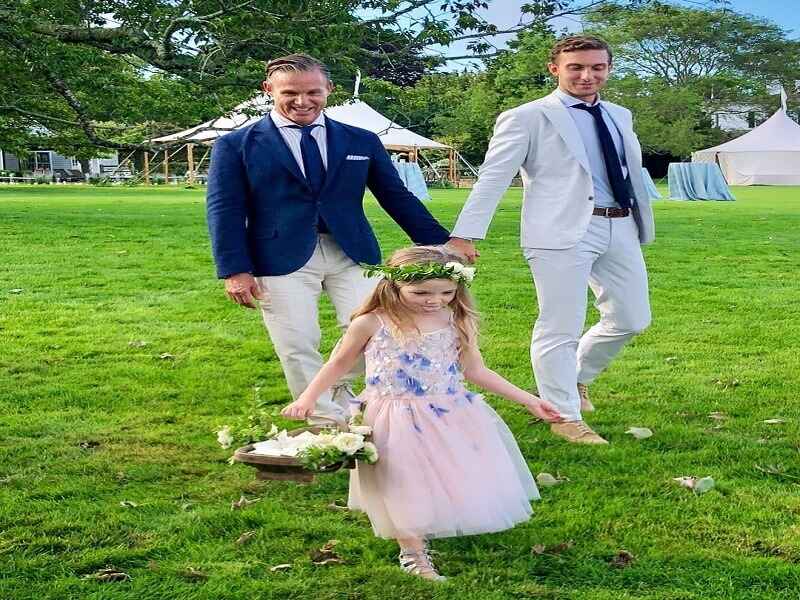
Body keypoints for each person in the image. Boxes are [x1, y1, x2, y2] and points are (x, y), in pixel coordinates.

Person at [281, 246, 563, 581]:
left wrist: (529, 400)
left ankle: (433, 521)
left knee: (443, 474)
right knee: (400, 479)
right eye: (421, 293)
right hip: (392, 415)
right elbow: (339, 363)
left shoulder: (456, 319)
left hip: (449, 410)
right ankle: (412, 551)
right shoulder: (372, 322)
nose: (435, 300)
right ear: (394, 285)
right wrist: (309, 398)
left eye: (447, 291)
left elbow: (476, 371)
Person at [206, 54, 450, 423]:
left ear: (328, 90)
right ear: (268, 90)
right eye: (290, 92)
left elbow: (396, 197)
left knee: (379, 333)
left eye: (312, 92)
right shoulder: (236, 145)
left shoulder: (361, 140)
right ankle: (326, 426)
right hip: (277, 256)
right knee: (298, 343)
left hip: (353, 252)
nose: (302, 101)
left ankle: (340, 387)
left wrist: (442, 245)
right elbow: (224, 209)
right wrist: (234, 269)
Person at [447, 35, 654, 445]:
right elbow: (493, 176)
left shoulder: (620, 115)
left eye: (597, 67)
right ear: (554, 69)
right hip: (558, 231)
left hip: (620, 224)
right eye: (576, 67)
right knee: (560, 325)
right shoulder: (527, 117)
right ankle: (563, 416)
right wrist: (464, 234)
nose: (587, 75)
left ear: (608, 69)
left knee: (632, 318)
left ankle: (577, 377)